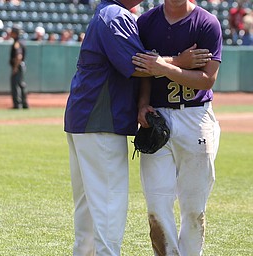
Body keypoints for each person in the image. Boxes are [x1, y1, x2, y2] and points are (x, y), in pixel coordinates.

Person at [64, 0, 212, 255]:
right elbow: (137, 65)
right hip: (101, 121)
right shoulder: (115, 16)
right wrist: (179, 60)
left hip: (85, 119)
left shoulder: (109, 13)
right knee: (110, 204)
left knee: (88, 206)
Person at [131, 0, 222, 255]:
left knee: (194, 209)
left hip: (195, 116)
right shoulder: (146, 22)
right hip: (157, 116)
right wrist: (143, 104)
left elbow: (206, 80)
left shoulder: (207, 23)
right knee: (157, 206)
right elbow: (144, 72)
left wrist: (163, 66)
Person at [9, 25, 28, 109]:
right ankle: (24, 104)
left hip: (18, 65)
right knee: (21, 84)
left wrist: (15, 68)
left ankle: (17, 104)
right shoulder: (22, 42)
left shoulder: (17, 43)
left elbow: (18, 56)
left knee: (16, 85)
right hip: (21, 65)